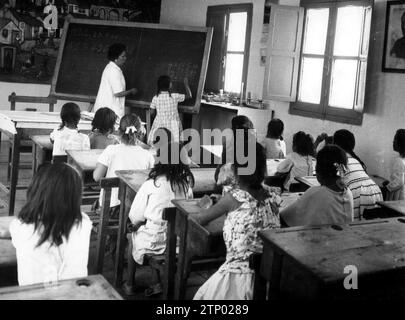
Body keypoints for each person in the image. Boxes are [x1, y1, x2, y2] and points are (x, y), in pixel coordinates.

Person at [193, 143, 281, 300]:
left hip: (238, 280)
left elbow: (200, 219)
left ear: (237, 171)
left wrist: (203, 207)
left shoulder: (233, 198)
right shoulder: (273, 198)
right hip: (269, 277)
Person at [124, 141, 194, 296]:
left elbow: (135, 215)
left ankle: (130, 283)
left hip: (154, 240)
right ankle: (156, 283)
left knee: (132, 236)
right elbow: (188, 210)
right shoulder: (186, 185)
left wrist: (136, 224)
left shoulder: (151, 184)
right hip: (177, 242)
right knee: (148, 229)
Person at [9, 163, 92, 286]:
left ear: (35, 192)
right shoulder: (84, 224)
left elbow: (16, 230)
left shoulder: (19, 227)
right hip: (75, 294)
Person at [280, 145, 354, 227]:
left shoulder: (315, 193)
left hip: (322, 238)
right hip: (344, 238)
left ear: (318, 170)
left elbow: (284, 217)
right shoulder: (348, 193)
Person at [93, 113, 155, 210]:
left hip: (110, 208)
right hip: (134, 211)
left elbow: (97, 177)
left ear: (119, 131)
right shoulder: (147, 155)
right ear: (140, 133)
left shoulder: (111, 150)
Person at [333, 129, 383, 220]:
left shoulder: (338, 161)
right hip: (375, 191)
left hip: (358, 193)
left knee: (354, 227)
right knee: (371, 227)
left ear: (335, 145)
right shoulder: (356, 159)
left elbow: (335, 185)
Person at [94, 43, 137, 119]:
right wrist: (131, 91)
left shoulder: (112, 68)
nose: (125, 58)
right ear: (115, 58)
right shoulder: (113, 71)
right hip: (109, 111)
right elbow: (117, 93)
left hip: (107, 110)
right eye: (123, 56)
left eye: (125, 56)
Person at [147, 75, 192, 144]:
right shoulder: (175, 96)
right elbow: (189, 96)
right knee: (174, 144)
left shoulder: (155, 98)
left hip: (159, 123)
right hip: (173, 124)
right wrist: (186, 84)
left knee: (159, 143)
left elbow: (152, 113)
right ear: (169, 85)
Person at [384, 129, 405, 200]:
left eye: (395, 139)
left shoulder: (399, 161)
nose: (393, 142)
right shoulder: (402, 159)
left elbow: (399, 182)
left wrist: (387, 187)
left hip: (397, 195)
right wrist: (390, 182)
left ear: (401, 143)